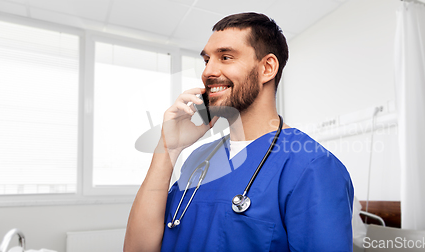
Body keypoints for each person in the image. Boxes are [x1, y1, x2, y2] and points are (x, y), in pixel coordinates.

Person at [124, 12, 354, 252]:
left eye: (225, 57)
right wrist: (168, 148)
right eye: (206, 60)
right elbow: (137, 248)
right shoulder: (198, 158)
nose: (208, 72)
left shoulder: (312, 167)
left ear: (267, 68)